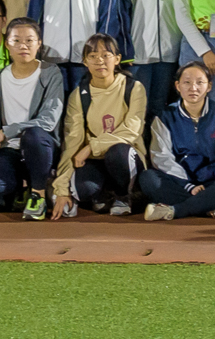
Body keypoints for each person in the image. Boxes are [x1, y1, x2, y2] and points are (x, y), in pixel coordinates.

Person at [0, 17, 69, 219]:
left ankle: (38, 194)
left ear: (39, 44)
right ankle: (21, 188)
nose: (23, 46)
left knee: (33, 135)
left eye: (29, 41)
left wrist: (8, 131)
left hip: (39, 146)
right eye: (16, 41)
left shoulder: (50, 73)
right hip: (8, 147)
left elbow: (48, 120)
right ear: (7, 44)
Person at [54, 33, 147, 217]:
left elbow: (131, 131)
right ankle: (102, 195)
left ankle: (123, 195)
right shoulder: (79, 95)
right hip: (95, 160)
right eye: (93, 56)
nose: (100, 61)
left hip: (124, 155)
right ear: (85, 62)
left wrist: (92, 147)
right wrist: (61, 190)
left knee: (118, 153)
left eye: (106, 55)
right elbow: (72, 142)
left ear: (117, 59)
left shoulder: (133, 88)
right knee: (83, 189)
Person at [138, 58, 215, 220]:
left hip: (213, 181)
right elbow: (162, 157)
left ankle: (175, 210)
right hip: (180, 182)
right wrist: (188, 186)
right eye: (187, 82)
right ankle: (209, 207)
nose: (193, 88)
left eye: (200, 82)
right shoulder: (165, 117)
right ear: (177, 86)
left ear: (209, 86)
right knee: (148, 178)